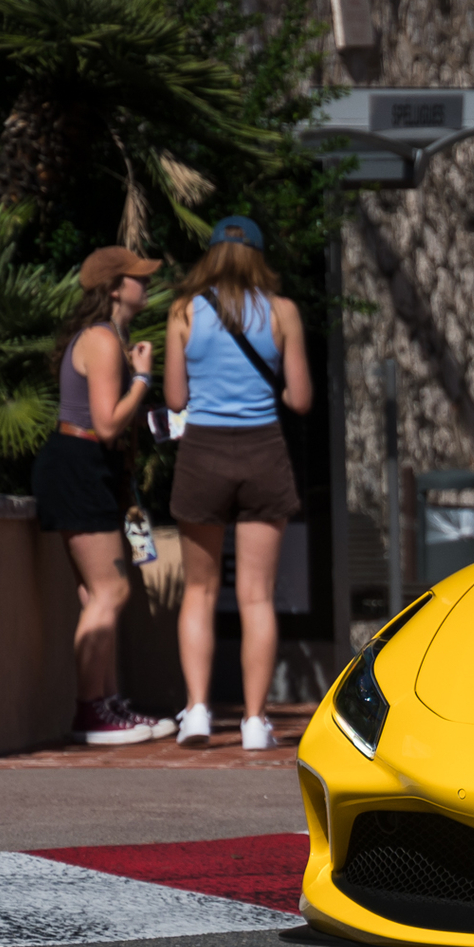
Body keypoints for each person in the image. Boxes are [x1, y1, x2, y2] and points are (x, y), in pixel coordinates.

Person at [165, 215, 314, 750]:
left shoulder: (183, 311)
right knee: (255, 597)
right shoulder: (282, 312)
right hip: (262, 453)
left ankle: (199, 711)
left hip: (203, 451)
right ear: (257, 255)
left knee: (199, 592)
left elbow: (176, 399)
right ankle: (254, 721)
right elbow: (299, 400)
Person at [32, 247, 175, 745]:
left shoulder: (111, 337)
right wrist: (142, 379)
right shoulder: (100, 339)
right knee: (110, 592)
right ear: (115, 288)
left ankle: (109, 705)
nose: (146, 284)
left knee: (99, 595)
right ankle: (92, 713)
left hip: (90, 467)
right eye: (138, 278)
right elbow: (109, 423)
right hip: (79, 465)